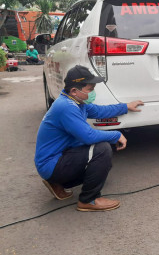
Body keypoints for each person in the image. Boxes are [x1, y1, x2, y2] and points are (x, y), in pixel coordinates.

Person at [35, 65, 144, 211]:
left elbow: (100, 111)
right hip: (52, 164)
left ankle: (57, 183)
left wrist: (125, 106)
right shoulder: (66, 107)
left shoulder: (77, 102)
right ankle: (89, 200)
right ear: (74, 90)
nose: (93, 93)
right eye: (90, 89)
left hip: (55, 161)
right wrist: (116, 134)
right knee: (102, 150)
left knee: (103, 165)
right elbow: (88, 136)